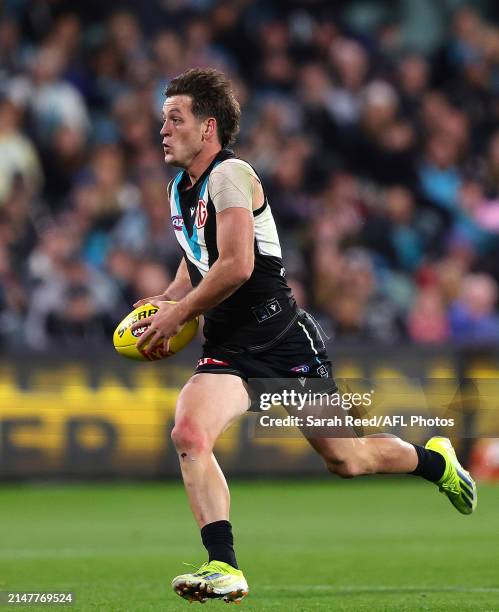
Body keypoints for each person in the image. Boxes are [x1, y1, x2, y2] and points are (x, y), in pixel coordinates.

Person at [132, 68, 477, 605]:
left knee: (347, 460)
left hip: (281, 339)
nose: (163, 129)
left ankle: (435, 462)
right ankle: (224, 564)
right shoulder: (180, 187)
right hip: (227, 346)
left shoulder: (231, 175)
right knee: (190, 435)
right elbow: (197, 259)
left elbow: (239, 265)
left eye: (175, 118)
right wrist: (169, 297)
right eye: (163, 119)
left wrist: (179, 316)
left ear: (209, 128)